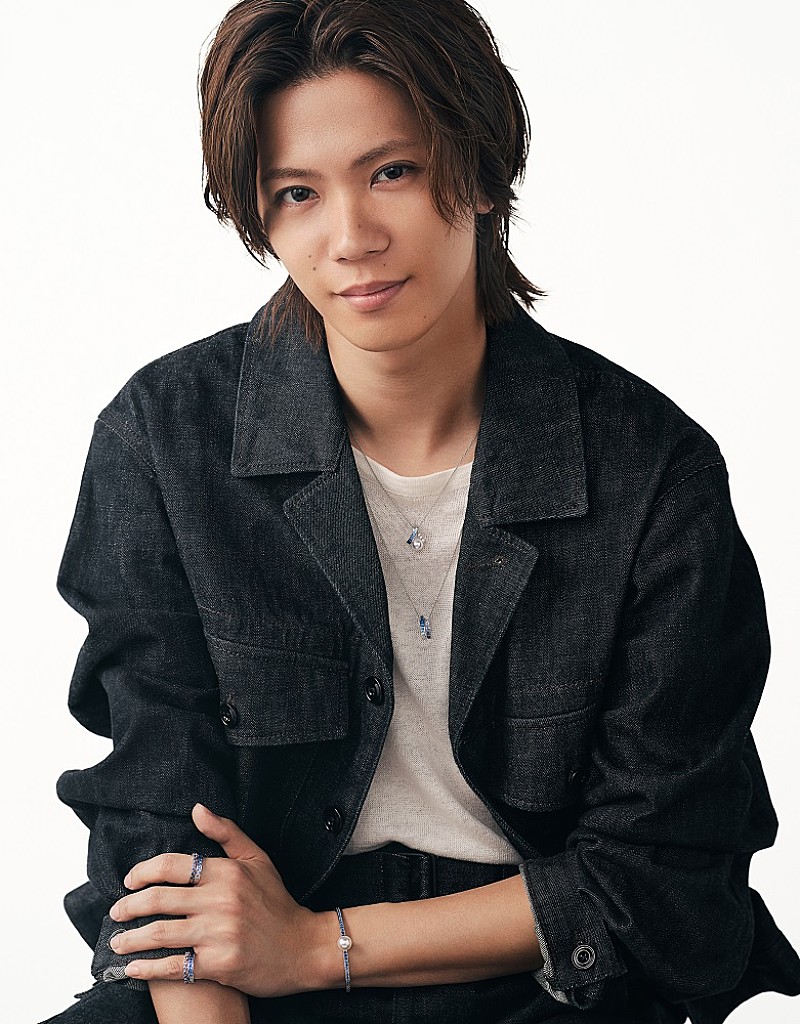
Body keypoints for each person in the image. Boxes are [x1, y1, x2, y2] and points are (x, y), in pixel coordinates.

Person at [43, 1, 800, 1022]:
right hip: (234, 968)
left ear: (479, 170)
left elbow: (658, 867)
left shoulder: (649, 471)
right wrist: (230, 989)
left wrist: (316, 950)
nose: (350, 238)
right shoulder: (164, 439)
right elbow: (157, 818)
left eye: (391, 172)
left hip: (548, 971)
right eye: (297, 193)